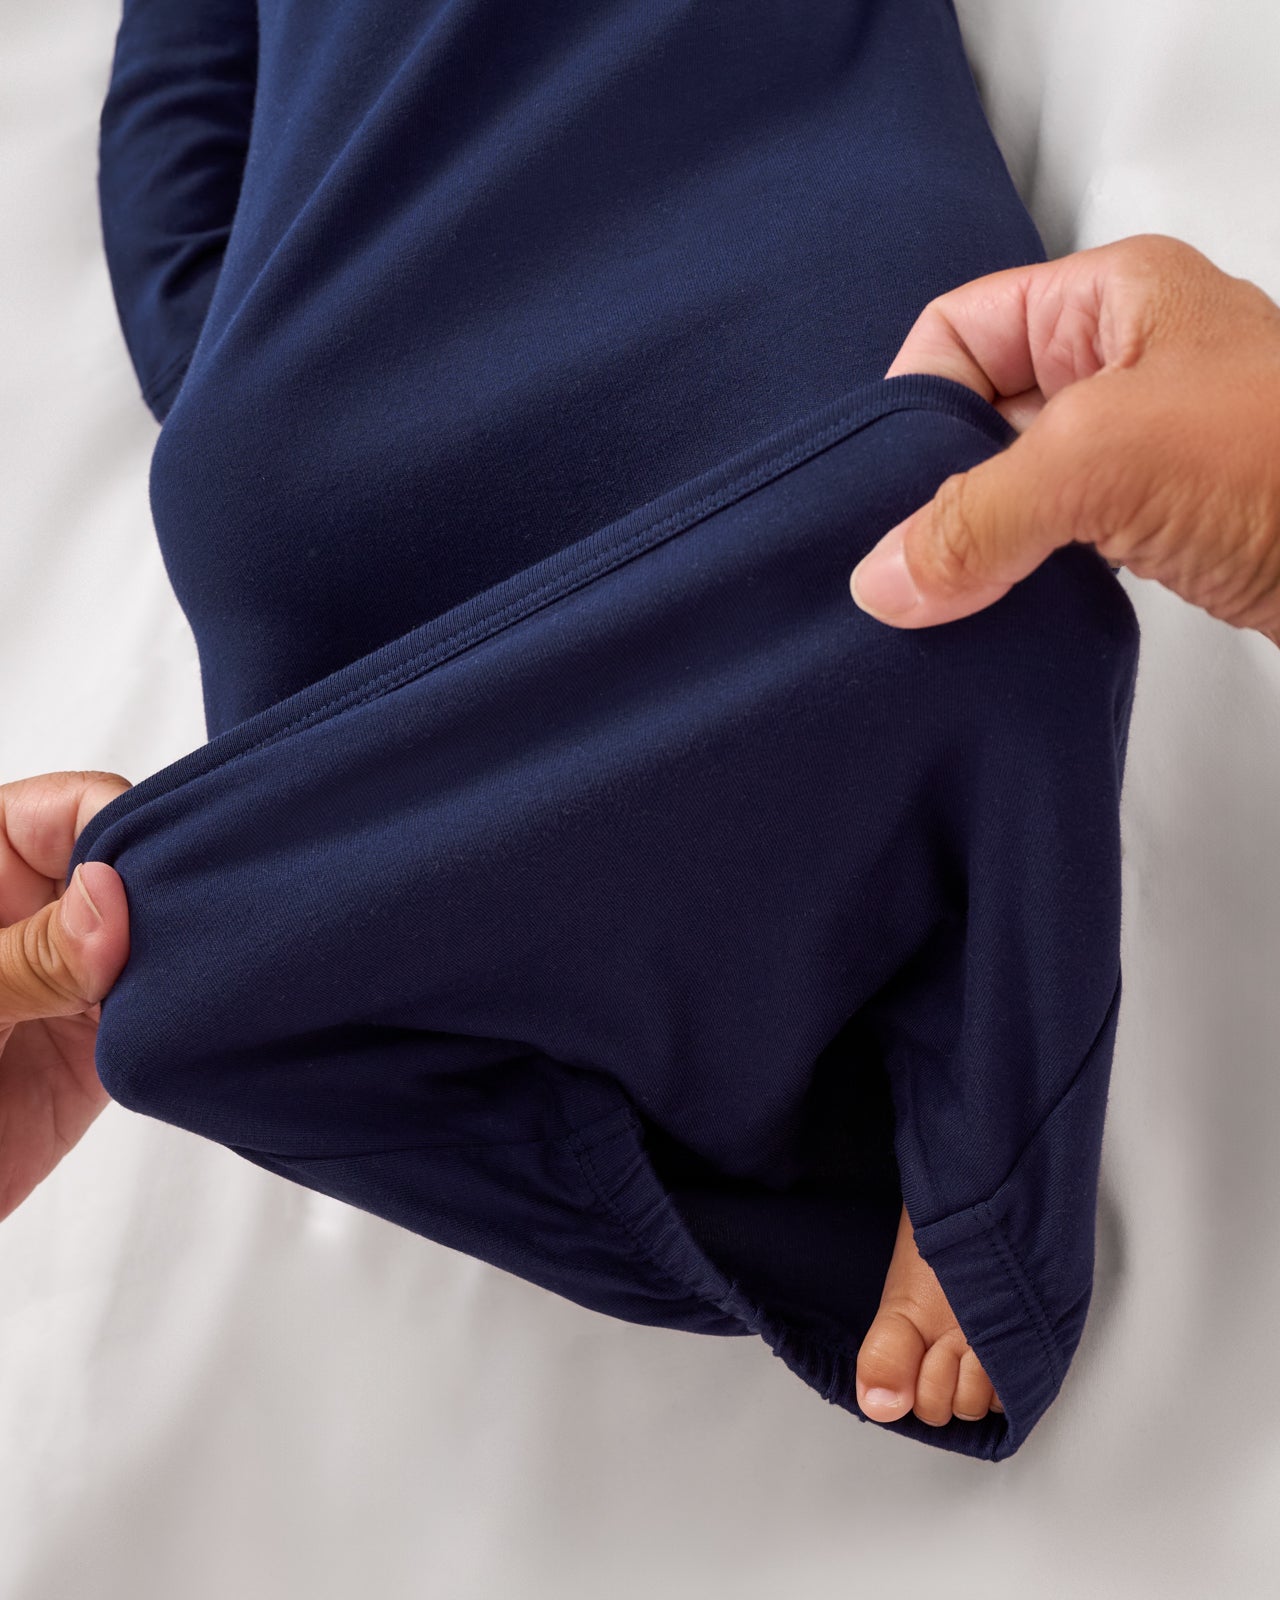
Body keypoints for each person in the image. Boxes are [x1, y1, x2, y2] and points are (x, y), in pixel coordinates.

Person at [5, 230, 1277, 1433]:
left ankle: (930, 993)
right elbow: (178, 177)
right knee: (260, 502)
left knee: (911, 482)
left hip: (760, 241)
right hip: (383, 387)